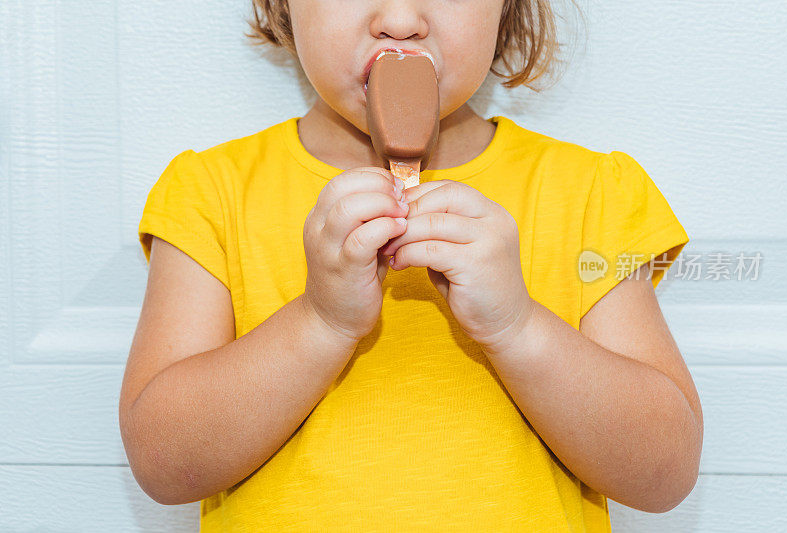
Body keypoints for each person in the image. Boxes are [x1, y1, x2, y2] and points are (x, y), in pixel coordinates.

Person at [119, 0, 704, 530]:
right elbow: (165, 467)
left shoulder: (590, 195)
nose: (400, 18)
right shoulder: (211, 195)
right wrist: (321, 322)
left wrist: (517, 328)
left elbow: (663, 474)